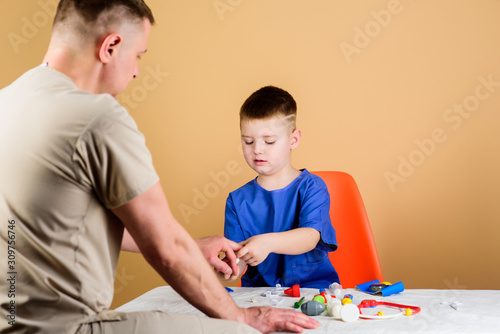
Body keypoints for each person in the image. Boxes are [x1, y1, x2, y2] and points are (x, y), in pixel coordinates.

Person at [0, 1, 320, 333]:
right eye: (138, 55)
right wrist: (241, 317)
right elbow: (166, 249)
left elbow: (65, 225)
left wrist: (194, 246)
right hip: (69, 329)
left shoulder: (7, 103)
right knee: (243, 331)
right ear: (111, 47)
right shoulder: (98, 117)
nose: (137, 71)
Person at [224, 86, 340, 288]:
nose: (257, 150)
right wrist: (223, 270)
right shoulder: (237, 200)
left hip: (312, 292)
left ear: (293, 140)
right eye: (248, 141)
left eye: (269, 141)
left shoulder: (312, 187)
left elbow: (310, 237)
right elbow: (238, 260)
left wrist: (266, 243)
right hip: (260, 297)